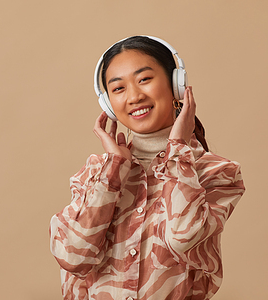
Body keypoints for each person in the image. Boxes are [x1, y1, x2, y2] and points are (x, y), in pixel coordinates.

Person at [49, 36, 245, 300]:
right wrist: (113, 171)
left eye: (144, 80)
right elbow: (73, 256)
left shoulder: (216, 172)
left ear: (176, 86)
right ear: (107, 104)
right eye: (118, 89)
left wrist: (178, 149)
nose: (134, 96)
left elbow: (183, 237)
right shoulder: (96, 173)